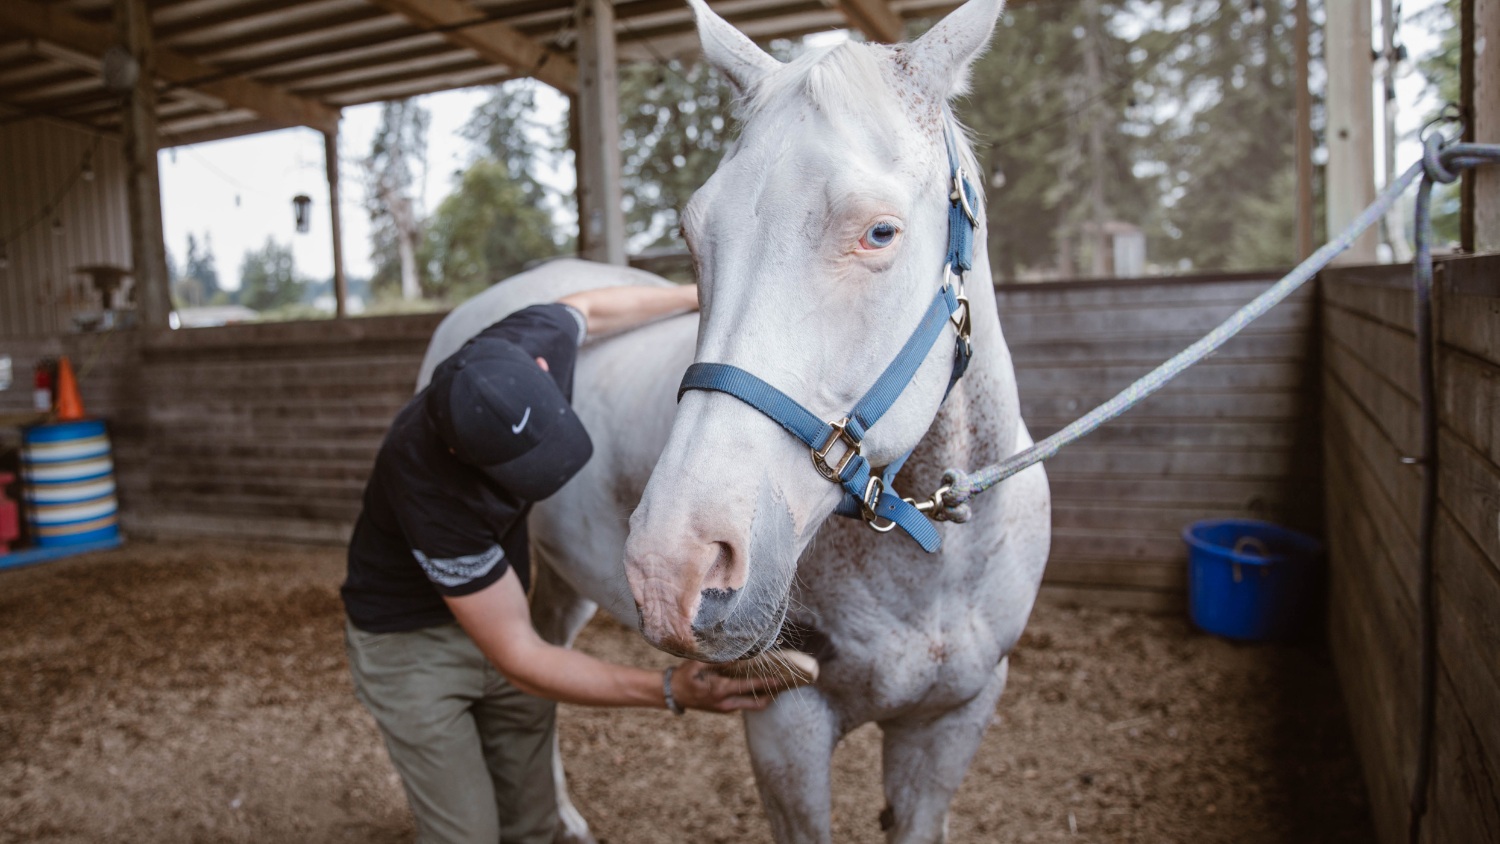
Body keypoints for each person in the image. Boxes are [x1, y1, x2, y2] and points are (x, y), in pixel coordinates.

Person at [340, 285, 782, 844]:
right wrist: (672, 690)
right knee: (466, 835)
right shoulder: (428, 486)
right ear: (458, 453)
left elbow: (590, 309)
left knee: (537, 825)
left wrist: (701, 293)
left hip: (502, 621)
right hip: (411, 649)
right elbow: (520, 655)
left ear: (542, 367)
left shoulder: (526, 342)